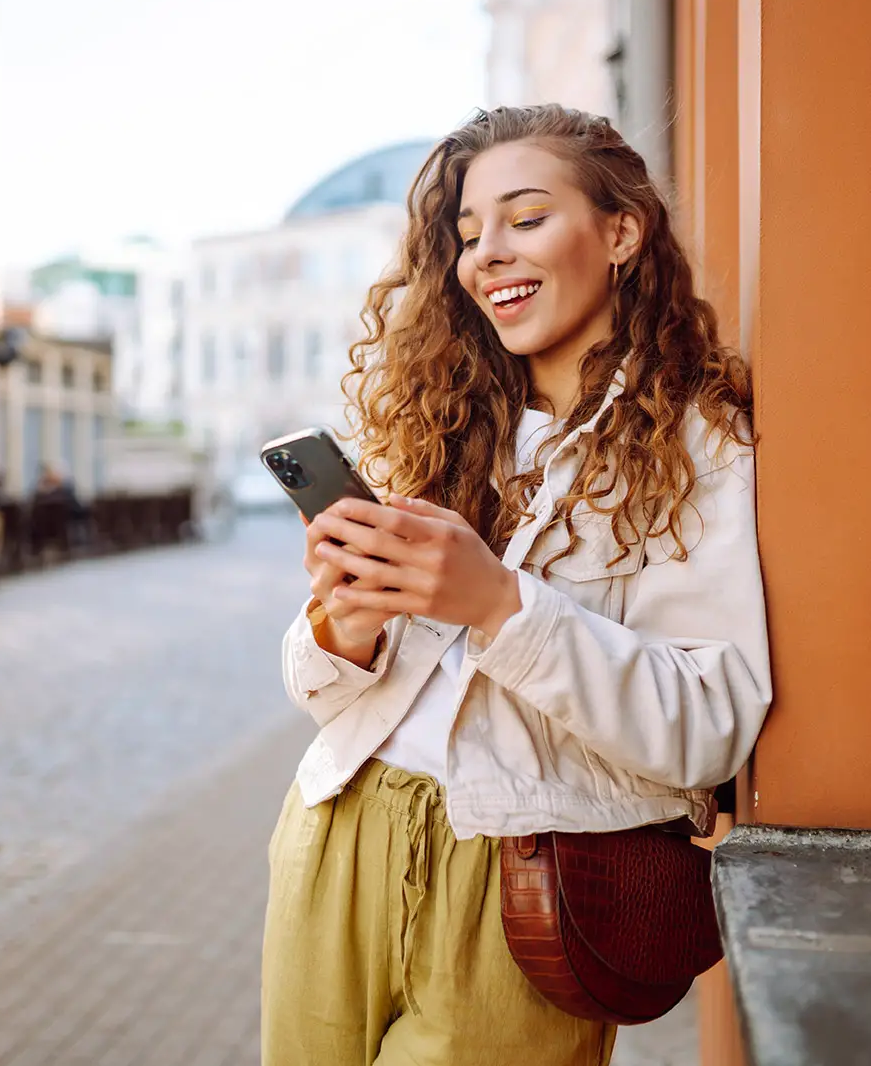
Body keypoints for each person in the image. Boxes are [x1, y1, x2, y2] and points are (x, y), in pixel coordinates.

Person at [261, 106, 772, 1066]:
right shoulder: (440, 428)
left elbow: (708, 730)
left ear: (621, 232)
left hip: (527, 871)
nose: (487, 253)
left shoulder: (702, 444)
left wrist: (499, 606)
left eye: (526, 218)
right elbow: (317, 691)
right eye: (466, 235)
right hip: (336, 831)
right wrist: (344, 626)